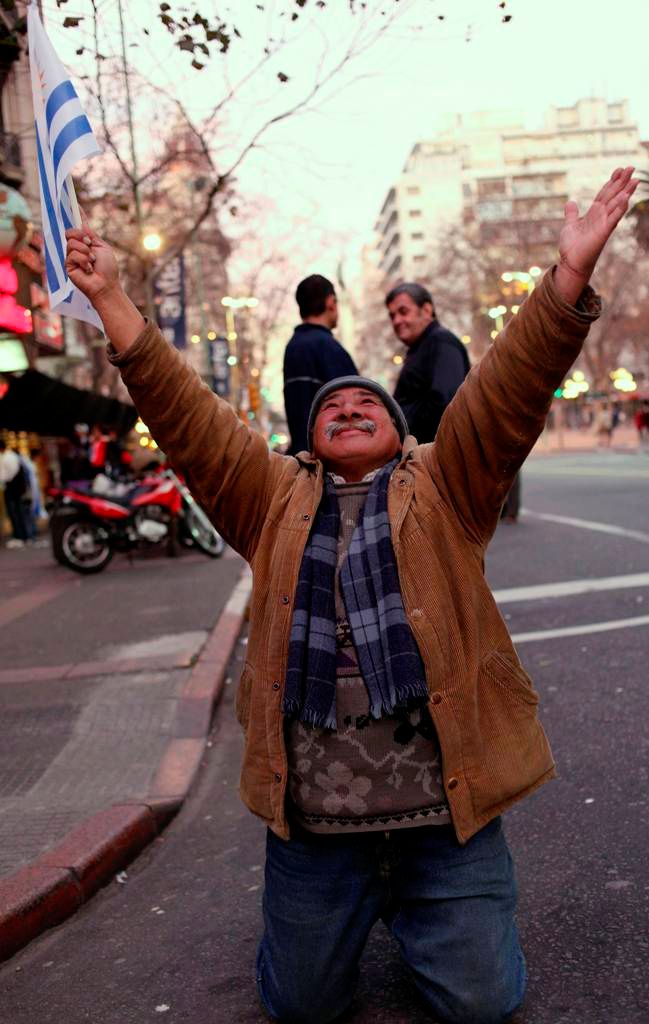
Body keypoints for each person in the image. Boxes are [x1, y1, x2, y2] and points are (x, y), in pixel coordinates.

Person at [65, 166, 636, 1024]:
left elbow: (510, 389)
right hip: (318, 831)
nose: (349, 406)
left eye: (368, 402)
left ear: (402, 434)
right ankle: (348, 912)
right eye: (332, 408)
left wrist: (564, 283)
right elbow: (185, 415)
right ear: (308, 440)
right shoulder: (270, 497)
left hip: (447, 820)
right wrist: (111, 299)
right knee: (299, 1005)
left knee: (483, 1003)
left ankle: (419, 910)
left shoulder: (445, 483)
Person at [386, 281, 470, 444]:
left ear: (426, 310)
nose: (396, 321)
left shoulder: (441, 342)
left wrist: (399, 425)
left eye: (403, 312)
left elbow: (445, 400)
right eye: (392, 315)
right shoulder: (421, 346)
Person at [283, 274, 358, 454]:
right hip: (333, 459)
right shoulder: (329, 348)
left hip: (303, 455)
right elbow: (354, 402)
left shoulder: (293, 347)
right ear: (331, 302)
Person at [0, 439, 30, 547]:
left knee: (14, 514)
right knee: (19, 513)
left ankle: (19, 537)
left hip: (11, 489)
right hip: (17, 489)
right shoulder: (12, 455)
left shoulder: (5, 457)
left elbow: (4, 476)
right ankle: (25, 536)